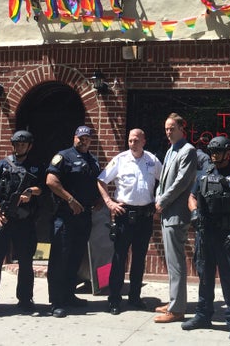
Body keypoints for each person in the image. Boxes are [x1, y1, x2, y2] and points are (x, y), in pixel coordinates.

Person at [183, 136, 230, 342]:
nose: (214, 155)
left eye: (218, 151)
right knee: (205, 277)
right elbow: (192, 197)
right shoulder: (204, 175)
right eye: (212, 151)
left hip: (227, 236)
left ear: (227, 152)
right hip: (205, 235)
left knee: (229, 279)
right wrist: (194, 213)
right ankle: (203, 315)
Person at [0, 130, 44, 314]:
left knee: (26, 262)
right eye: (17, 144)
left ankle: (25, 300)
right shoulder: (2, 165)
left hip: (24, 221)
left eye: (23, 144)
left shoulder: (36, 166)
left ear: (29, 146)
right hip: (3, 220)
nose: (19, 147)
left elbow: (43, 188)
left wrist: (30, 192)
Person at [98, 128, 163, 315]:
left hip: (145, 216)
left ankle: (135, 297)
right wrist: (109, 203)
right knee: (119, 258)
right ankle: (114, 299)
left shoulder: (152, 160)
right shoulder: (120, 159)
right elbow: (101, 181)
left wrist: (159, 199)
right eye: (130, 140)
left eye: (136, 140)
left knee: (139, 259)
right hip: (124, 215)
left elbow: (165, 179)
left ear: (144, 141)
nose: (132, 143)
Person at [45, 125, 102, 318]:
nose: (83, 140)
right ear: (74, 137)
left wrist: (100, 199)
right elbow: (51, 181)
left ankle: (69, 295)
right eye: (80, 137)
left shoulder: (93, 160)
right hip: (65, 216)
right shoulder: (63, 156)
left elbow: (95, 183)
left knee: (75, 257)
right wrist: (70, 200)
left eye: (86, 138)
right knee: (60, 258)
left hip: (84, 216)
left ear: (90, 140)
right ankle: (56, 302)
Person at [154, 113, 198, 323]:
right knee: (172, 262)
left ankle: (178, 310)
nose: (168, 132)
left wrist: (162, 200)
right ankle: (174, 302)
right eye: (166, 128)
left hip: (176, 213)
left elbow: (181, 182)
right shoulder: (171, 150)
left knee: (176, 262)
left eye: (172, 128)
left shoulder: (188, 151)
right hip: (167, 213)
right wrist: (158, 197)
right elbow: (163, 181)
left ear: (182, 128)